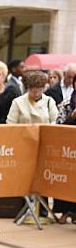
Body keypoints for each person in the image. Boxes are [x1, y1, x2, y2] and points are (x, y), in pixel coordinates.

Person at [55, 73, 76, 223]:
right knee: (65, 180)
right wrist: (72, 117)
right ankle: (64, 212)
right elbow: (58, 126)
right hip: (67, 150)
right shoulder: (67, 103)